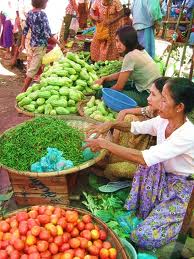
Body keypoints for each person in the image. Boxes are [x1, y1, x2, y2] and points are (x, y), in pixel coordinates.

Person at [84, 77, 194, 249]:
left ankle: (186, 220)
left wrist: (105, 144)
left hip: (182, 187)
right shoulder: (164, 120)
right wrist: (110, 123)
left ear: (180, 107)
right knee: (148, 167)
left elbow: (143, 157)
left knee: (142, 236)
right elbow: (135, 127)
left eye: (164, 100)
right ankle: (156, 208)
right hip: (162, 176)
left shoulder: (187, 134)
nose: (158, 103)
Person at [93, 77, 169, 180]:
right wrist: (111, 124)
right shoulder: (154, 113)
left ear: (166, 99)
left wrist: (108, 145)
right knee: (129, 118)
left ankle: (110, 171)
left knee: (115, 169)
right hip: (143, 154)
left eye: (153, 94)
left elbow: (144, 158)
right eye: (150, 93)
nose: (148, 98)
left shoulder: (175, 129)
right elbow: (132, 124)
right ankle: (112, 160)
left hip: (153, 166)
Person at [96, 25, 161, 106]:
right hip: (145, 88)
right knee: (106, 83)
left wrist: (105, 94)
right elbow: (122, 74)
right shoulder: (139, 50)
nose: (118, 45)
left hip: (148, 95)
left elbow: (119, 86)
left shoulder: (130, 56)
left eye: (121, 41)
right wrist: (105, 78)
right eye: (116, 41)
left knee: (101, 92)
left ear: (129, 41)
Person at [19, 0, 63, 92]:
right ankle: (23, 91)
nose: (46, 5)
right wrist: (58, 43)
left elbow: (25, 30)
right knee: (33, 68)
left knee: (40, 64)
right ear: (42, 3)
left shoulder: (30, 13)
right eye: (46, 3)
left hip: (33, 45)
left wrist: (22, 44)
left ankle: (42, 85)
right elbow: (48, 33)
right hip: (40, 46)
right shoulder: (42, 15)